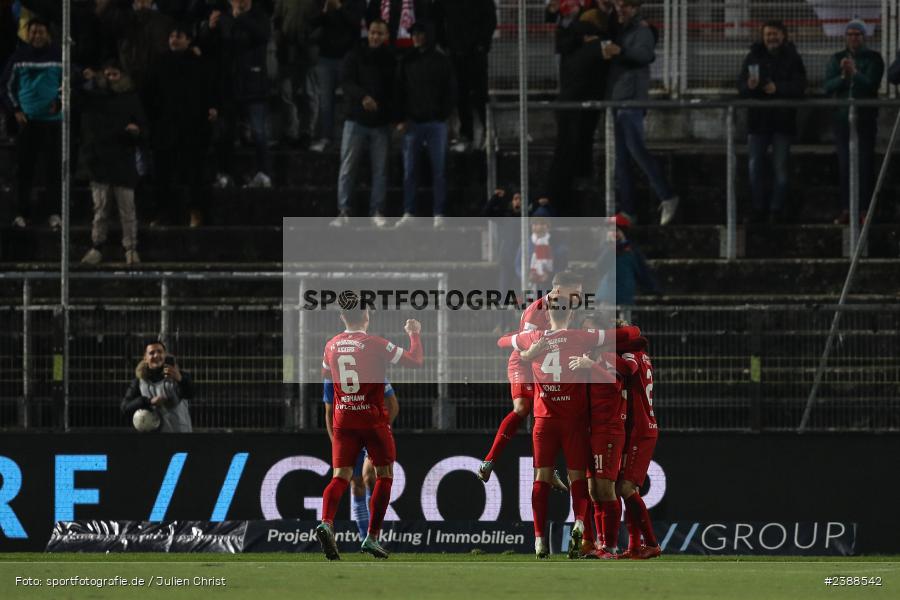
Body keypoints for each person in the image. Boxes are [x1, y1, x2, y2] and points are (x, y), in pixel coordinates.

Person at [497, 299, 641, 558]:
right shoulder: (581, 338)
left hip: (544, 421)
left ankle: (540, 540)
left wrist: (527, 353)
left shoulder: (533, 337)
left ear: (547, 314)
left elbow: (502, 342)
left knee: (542, 477)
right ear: (572, 313)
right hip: (575, 422)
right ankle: (581, 525)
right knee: (580, 479)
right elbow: (633, 334)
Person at [316, 300, 423, 560]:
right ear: (366, 315)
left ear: (342, 317)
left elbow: (327, 379)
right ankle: (372, 537)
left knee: (340, 476)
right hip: (372, 420)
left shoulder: (329, 346)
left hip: (343, 421)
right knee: (384, 475)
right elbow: (415, 361)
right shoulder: (376, 343)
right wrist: (414, 334)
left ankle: (326, 523)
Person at [478, 271, 584, 487]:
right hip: (524, 363)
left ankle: (545, 467)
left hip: (545, 364)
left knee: (547, 413)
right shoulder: (535, 312)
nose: (578, 297)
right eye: (575, 293)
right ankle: (489, 460)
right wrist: (531, 355)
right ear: (559, 290)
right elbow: (523, 348)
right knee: (522, 408)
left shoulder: (568, 310)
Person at [604, 0, 679, 225]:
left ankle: (667, 195)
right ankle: (628, 211)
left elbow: (645, 56)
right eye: (619, 5)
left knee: (635, 151)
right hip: (618, 100)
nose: (621, 9)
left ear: (636, 8)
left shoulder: (641, 30)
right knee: (622, 159)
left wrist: (621, 51)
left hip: (631, 100)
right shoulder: (620, 29)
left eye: (626, 6)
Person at [567, 319, 634, 558]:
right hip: (589, 431)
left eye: (590, 330)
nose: (586, 334)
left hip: (608, 430)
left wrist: (590, 365)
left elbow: (615, 384)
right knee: (593, 490)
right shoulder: (581, 358)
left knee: (606, 489)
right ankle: (599, 544)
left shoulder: (608, 357)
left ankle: (611, 547)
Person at [144, 23, 218, 227]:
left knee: (195, 173)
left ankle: (196, 211)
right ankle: (162, 212)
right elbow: (149, 93)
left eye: (179, 36)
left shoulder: (198, 63)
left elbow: (208, 89)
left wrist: (210, 109)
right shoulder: (159, 62)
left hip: (191, 127)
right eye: (172, 36)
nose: (174, 39)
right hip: (165, 127)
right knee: (162, 174)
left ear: (188, 40)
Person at [737, 20, 807, 224]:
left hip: (782, 122)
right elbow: (741, 86)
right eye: (768, 34)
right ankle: (759, 208)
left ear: (783, 36)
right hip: (758, 122)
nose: (771, 38)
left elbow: (800, 86)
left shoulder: (793, 58)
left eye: (775, 34)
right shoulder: (753, 56)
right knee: (754, 167)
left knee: (781, 169)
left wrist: (778, 89)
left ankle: (775, 210)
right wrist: (750, 87)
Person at [78, 61, 147, 266]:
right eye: (106, 74)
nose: (110, 78)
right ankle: (97, 246)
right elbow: (89, 129)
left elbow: (144, 128)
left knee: (128, 209)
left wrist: (137, 131)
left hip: (123, 162)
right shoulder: (94, 100)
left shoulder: (131, 99)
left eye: (115, 74)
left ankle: (131, 248)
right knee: (100, 209)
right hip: (100, 163)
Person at [201, 0, 273, 189]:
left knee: (258, 132)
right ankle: (225, 174)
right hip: (229, 85)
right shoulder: (223, 18)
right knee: (226, 133)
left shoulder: (260, 16)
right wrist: (210, 28)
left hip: (254, 83)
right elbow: (209, 47)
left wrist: (240, 18)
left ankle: (263, 173)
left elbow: (263, 36)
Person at [330, 19, 394, 228]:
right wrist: (363, 97)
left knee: (380, 169)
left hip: (380, 122)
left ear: (386, 36)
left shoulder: (390, 58)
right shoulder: (354, 54)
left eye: (380, 34)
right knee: (348, 167)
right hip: (356, 119)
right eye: (373, 33)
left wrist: (383, 107)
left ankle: (377, 210)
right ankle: (344, 210)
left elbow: (394, 87)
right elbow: (346, 81)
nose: (375, 37)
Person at [393, 21, 456, 229]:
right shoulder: (407, 61)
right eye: (415, 34)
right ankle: (410, 210)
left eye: (420, 34)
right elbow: (400, 91)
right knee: (410, 170)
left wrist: (442, 115)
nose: (416, 37)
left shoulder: (441, 61)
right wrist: (401, 118)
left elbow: (449, 90)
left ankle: (437, 212)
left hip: (434, 123)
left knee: (438, 170)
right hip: (414, 123)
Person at [0, 17, 61, 229]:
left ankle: (54, 212)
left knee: (54, 170)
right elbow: (5, 87)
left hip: (53, 123)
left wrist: (60, 102)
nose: (37, 36)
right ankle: (21, 213)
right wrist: (15, 109)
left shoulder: (59, 56)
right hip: (28, 123)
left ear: (48, 34)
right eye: (33, 32)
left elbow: (69, 82)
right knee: (24, 169)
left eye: (40, 31)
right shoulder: (19, 57)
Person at [323, 377, 399, 540]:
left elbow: (392, 404)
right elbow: (329, 412)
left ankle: (372, 535)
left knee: (370, 477)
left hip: (371, 432)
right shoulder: (331, 379)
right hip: (348, 435)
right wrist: (336, 442)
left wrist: (383, 429)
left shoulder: (370, 368)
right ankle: (365, 537)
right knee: (356, 484)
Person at [824, 19, 884, 225]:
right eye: (849, 34)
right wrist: (843, 76)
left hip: (865, 117)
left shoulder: (874, 58)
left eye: (857, 34)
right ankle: (847, 208)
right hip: (842, 119)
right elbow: (827, 86)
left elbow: (871, 85)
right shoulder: (836, 58)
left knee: (865, 163)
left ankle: (865, 208)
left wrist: (855, 74)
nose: (853, 38)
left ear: (863, 36)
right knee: (845, 164)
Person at [616, 324, 660, 559]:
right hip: (637, 427)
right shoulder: (640, 352)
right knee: (624, 488)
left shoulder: (629, 354)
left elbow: (627, 368)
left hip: (640, 429)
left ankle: (652, 544)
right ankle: (633, 546)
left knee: (626, 488)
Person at [432, 0, 496, 153]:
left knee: (480, 94)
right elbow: (437, 18)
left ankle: (490, 134)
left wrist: (482, 45)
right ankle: (467, 135)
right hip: (456, 52)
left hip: (475, 53)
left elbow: (490, 19)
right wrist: (445, 44)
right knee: (460, 94)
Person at [308, 0, 365, 153]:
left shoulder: (355, 3)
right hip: (326, 57)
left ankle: (348, 139)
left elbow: (356, 23)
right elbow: (311, 22)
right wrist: (325, 11)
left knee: (350, 99)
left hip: (347, 57)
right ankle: (326, 138)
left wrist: (339, 8)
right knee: (325, 101)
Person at [121, 340, 194, 433]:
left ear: (165, 355)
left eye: (160, 352)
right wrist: (148, 401)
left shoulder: (178, 375)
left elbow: (190, 394)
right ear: (145, 358)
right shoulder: (139, 381)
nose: (156, 355)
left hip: (180, 435)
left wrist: (180, 379)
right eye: (151, 353)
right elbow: (125, 408)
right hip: (155, 439)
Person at [595, 214, 660, 319]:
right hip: (607, 296)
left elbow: (643, 272)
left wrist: (654, 289)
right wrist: (611, 248)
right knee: (603, 325)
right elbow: (600, 267)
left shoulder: (632, 251)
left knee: (625, 327)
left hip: (625, 296)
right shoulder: (606, 249)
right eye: (610, 230)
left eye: (616, 230)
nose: (613, 233)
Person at [273, 0, 318, 145]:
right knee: (286, 93)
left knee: (309, 93)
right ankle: (290, 132)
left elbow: (324, 21)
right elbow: (277, 19)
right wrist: (279, 37)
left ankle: (307, 133)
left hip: (309, 50)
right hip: (287, 50)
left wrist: (310, 38)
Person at [514, 217, 570, 290]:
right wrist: (525, 275)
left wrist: (550, 275)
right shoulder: (525, 244)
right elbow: (518, 265)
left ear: (548, 227)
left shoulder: (557, 244)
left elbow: (562, 268)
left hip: (550, 287)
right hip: (530, 286)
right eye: (535, 224)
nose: (539, 227)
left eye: (542, 224)